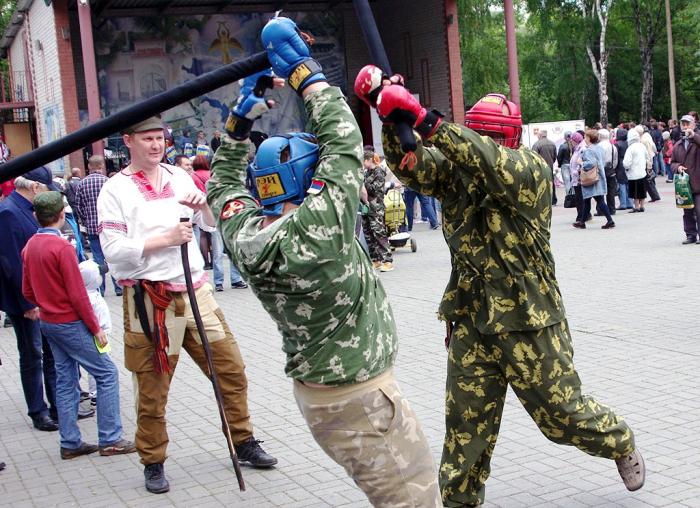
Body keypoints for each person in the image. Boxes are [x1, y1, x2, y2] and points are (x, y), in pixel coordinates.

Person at [355, 70, 644, 506]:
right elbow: (411, 166)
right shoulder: (455, 175)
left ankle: (619, 440)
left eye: (485, 134)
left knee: (562, 417)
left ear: (506, 139)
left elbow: (486, 159)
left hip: (530, 320)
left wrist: (423, 116)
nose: (477, 139)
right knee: (465, 429)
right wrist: (390, 116)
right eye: (474, 131)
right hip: (472, 318)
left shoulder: (528, 170)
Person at [208, 19, 440, 506]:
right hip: (364, 401)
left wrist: (238, 123)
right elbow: (344, 142)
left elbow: (223, 188)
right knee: (415, 499)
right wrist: (307, 76)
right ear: (303, 178)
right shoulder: (320, 229)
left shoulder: (246, 233)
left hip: (323, 398)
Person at [96, 115, 276, 494]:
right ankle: (153, 460)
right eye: (146, 139)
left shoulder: (179, 177)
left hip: (196, 292)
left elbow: (209, 225)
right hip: (149, 300)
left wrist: (205, 204)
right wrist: (162, 239)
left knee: (231, 370)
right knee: (153, 386)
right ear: (128, 141)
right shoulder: (115, 189)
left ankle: (242, 441)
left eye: (159, 138)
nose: (156, 145)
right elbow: (113, 253)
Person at [21, 192, 136, 459]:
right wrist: (95, 327)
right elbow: (77, 294)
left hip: (49, 322)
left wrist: (42, 305)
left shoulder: (30, 246)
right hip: (69, 321)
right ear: (62, 216)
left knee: (65, 378)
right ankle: (110, 438)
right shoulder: (61, 248)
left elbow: (26, 290)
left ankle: (70, 441)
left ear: (36, 216)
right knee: (106, 373)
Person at [0, 167, 59, 432]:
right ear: (35, 187)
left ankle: (57, 405)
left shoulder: (21, 208)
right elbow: (10, 263)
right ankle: (38, 410)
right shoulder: (9, 212)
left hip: (40, 297)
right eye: (46, 189)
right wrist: (27, 303)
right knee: (32, 354)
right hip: (25, 301)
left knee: (48, 352)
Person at [76, 155, 122, 296]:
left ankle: (100, 289)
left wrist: (85, 221)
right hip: (108, 227)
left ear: (89, 166)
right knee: (112, 258)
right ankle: (118, 288)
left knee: (97, 258)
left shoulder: (82, 184)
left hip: (91, 226)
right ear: (102, 166)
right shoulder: (108, 182)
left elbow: (78, 206)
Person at [362, 148, 394, 272]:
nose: (362, 164)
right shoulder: (366, 173)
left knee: (379, 234)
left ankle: (388, 261)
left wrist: (364, 184)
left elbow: (376, 190)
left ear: (369, 160)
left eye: (363, 161)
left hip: (376, 208)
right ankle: (375, 260)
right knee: (369, 235)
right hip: (367, 208)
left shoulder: (378, 172)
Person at [670, 114, 700, 244]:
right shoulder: (678, 144)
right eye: (683, 124)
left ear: (694, 125)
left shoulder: (697, 139)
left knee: (699, 211)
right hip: (685, 185)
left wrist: (693, 136)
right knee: (687, 211)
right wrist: (678, 167)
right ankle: (690, 235)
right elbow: (672, 163)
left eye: (688, 123)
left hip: (698, 181)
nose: (685, 126)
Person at [579, 129, 615, 229]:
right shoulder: (599, 148)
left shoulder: (589, 150)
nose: (584, 139)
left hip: (592, 178)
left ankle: (610, 220)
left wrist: (581, 163)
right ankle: (582, 222)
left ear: (589, 138)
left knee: (598, 200)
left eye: (586, 137)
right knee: (588, 200)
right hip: (599, 176)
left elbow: (590, 163)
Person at [624, 128, 649, 213]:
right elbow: (647, 156)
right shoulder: (642, 146)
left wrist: (626, 167)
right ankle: (642, 206)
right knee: (642, 190)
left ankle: (636, 206)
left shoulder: (630, 148)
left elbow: (626, 162)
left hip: (633, 173)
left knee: (635, 192)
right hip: (642, 172)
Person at [532, 129, 558, 205]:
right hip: (550, 166)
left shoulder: (536, 144)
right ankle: (553, 200)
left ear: (540, 135)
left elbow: (534, 157)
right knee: (551, 183)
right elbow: (554, 157)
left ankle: (543, 201)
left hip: (540, 167)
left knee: (541, 184)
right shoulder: (552, 144)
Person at [597, 128, 618, 216]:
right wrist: (613, 167)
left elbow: (597, 160)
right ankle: (612, 209)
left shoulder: (598, 146)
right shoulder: (613, 146)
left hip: (601, 170)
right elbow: (615, 160)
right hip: (611, 170)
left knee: (600, 191)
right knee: (611, 191)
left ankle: (601, 210)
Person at [614, 128, 633, 210]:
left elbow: (615, 157)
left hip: (620, 165)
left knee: (621, 184)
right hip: (628, 163)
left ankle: (623, 203)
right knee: (628, 184)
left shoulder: (617, 144)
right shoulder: (628, 143)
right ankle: (630, 202)